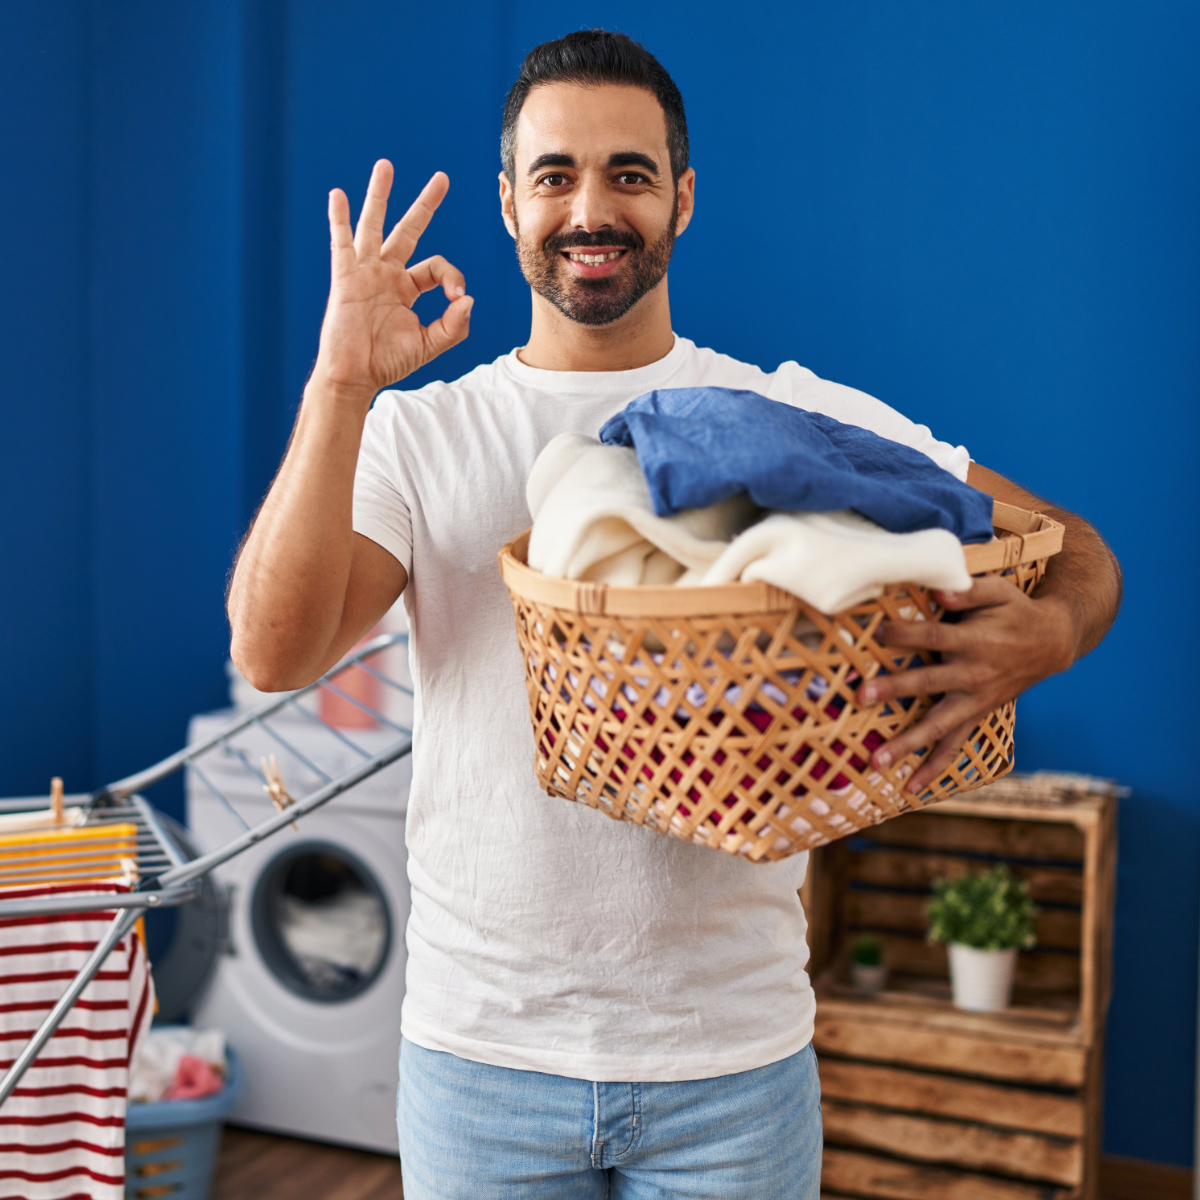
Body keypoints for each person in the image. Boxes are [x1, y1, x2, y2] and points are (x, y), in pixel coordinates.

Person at [227, 29, 1120, 1200]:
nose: (591, 210)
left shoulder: (782, 414)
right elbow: (273, 652)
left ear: (682, 199)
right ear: (508, 202)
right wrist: (340, 384)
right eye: (555, 175)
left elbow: (1075, 547)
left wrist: (1051, 634)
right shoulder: (420, 433)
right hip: (483, 1062)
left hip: (730, 1067)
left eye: (630, 175)